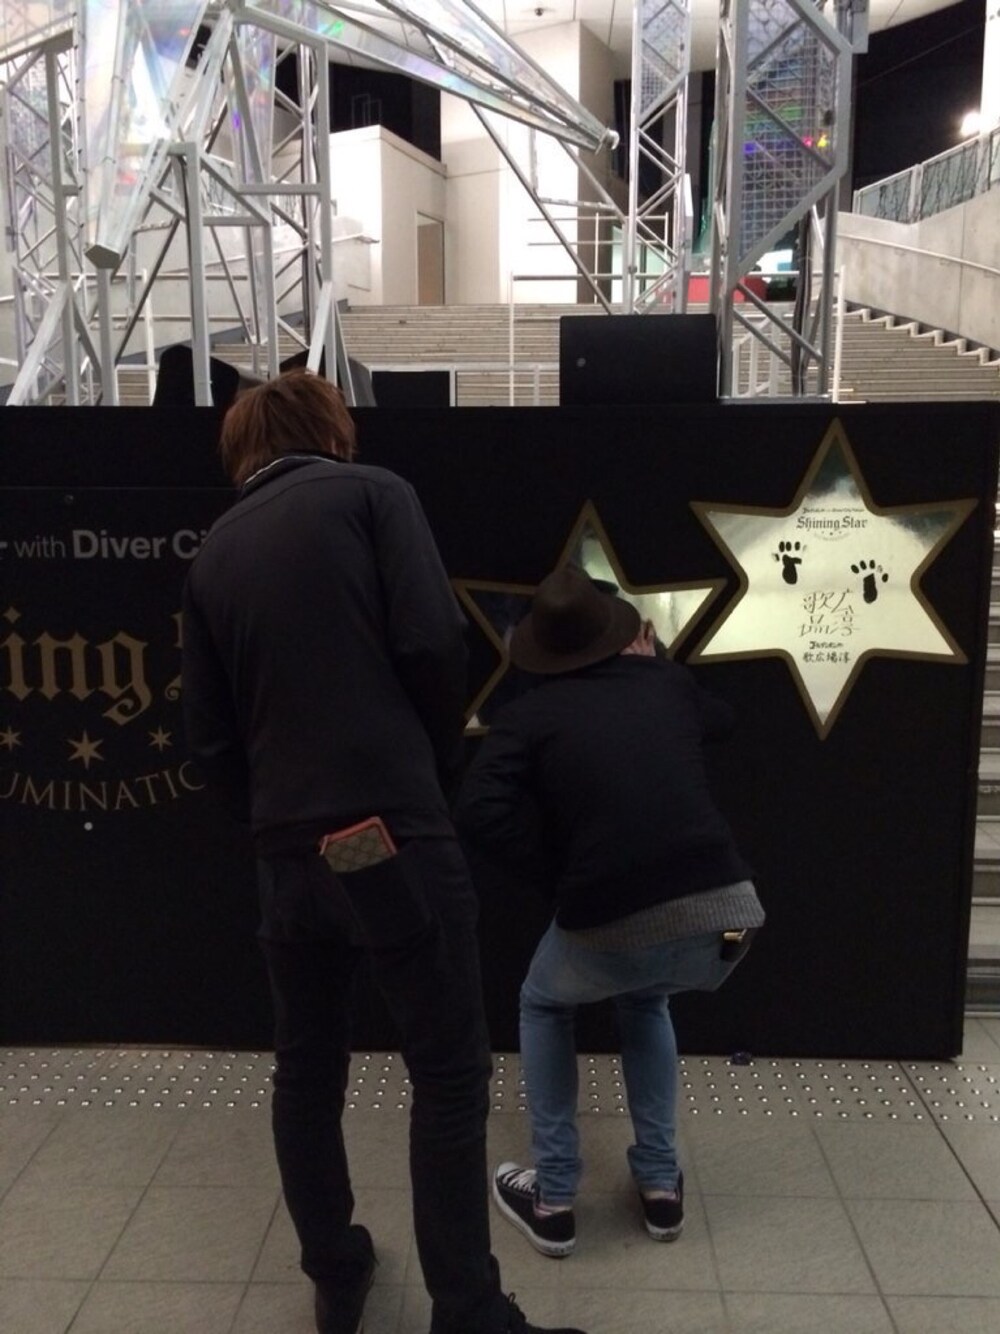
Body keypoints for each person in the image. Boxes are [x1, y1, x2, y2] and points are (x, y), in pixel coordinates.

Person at [181, 371, 587, 1334]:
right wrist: (429, 773)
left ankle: (336, 1274)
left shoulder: (214, 554)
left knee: (306, 1069)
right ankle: (467, 1308)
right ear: (333, 430)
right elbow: (433, 641)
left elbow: (209, 741)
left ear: (243, 449)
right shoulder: (373, 495)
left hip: (288, 855)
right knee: (445, 1070)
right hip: (381, 836)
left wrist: (272, 826)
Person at [455, 565, 764, 1258]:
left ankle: (554, 1198)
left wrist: (557, 873)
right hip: (728, 913)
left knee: (543, 1003)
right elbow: (725, 719)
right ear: (622, 635)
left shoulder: (531, 713)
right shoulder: (665, 684)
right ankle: (659, 1186)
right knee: (646, 998)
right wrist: (656, 666)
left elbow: (478, 810)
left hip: (611, 913)